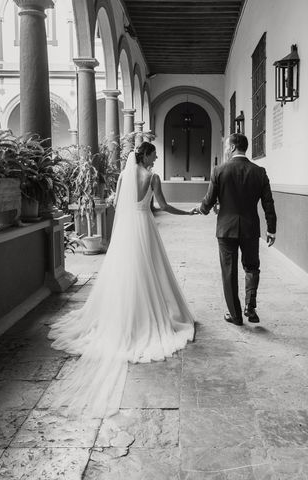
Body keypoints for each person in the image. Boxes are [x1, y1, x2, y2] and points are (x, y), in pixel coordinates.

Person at [48, 141, 195, 416]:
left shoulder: (125, 175)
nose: (158, 157)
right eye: (155, 153)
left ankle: (124, 316)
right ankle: (147, 319)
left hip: (127, 230)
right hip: (145, 227)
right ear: (147, 154)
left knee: (127, 271)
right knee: (150, 270)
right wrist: (188, 212)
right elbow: (162, 206)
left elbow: (116, 202)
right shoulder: (152, 177)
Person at [193, 133, 277, 326]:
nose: (225, 149)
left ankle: (236, 315)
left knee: (229, 271)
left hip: (226, 229)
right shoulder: (259, 172)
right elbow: (268, 203)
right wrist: (271, 229)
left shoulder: (219, 170)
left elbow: (209, 200)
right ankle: (250, 306)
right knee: (252, 267)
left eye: (226, 146)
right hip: (250, 228)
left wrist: (203, 209)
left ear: (231, 148)